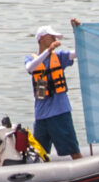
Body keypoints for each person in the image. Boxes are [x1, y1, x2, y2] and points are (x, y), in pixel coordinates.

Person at [25, 27, 81, 160]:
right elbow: (30, 68)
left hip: (60, 113)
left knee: (74, 152)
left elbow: (77, 53)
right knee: (38, 155)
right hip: (41, 116)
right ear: (43, 39)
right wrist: (47, 51)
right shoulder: (31, 59)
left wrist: (76, 31)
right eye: (52, 37)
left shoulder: (59, 56)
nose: (55, 40)